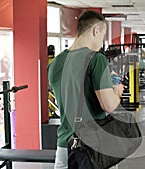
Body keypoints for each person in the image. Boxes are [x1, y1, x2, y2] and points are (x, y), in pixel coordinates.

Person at [48, 10, 124, 169]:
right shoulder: (96, 59)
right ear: (96, 30)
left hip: (64, 145)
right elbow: (108, 105)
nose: (102, 42)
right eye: (102, 36)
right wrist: (117, 91)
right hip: (93, 147)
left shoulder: (55, 63)